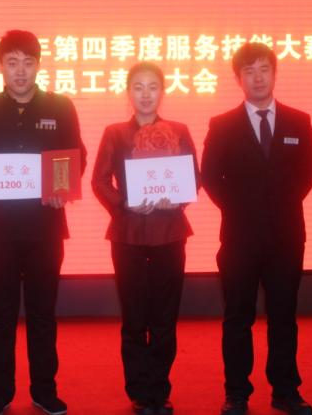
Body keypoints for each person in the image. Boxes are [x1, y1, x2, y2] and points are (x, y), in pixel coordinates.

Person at [0, 30, 86, 415]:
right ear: (0, 66)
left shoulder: (60, 106)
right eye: (12, 62)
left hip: (45, 227)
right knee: (0, 314)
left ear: (38, 65)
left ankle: (44, 390)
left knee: (42, 313)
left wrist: (61, 188)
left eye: (28, 62)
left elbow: (75, 155)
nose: (20, 71)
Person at [200, 42, 312, 415]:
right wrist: (240, 209)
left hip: (286, 236)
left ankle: (286, 391)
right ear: (238, 79)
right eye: (249, 71)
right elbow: (209, 177)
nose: (258, 77)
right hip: (239, 238)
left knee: (284, 317)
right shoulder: (221, 125)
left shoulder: (299, 121)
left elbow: (307, 175)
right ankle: (236, 393)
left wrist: (276, 208)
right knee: (238, 317)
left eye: (264, 69)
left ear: (275, 73)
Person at [91, 62, 199, 415]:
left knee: (165, 317)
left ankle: (160, 390)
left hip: (170, 233)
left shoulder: (179, 130)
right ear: (128, 92)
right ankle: (139, 391)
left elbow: (193, 177)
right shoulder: (115, 133)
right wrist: (125, 203)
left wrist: (177, 198)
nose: (146, 94)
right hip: (129, 235)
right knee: (135, 316)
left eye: (153, 86)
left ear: (163, 91)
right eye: (138, 87)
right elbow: (99, 180)